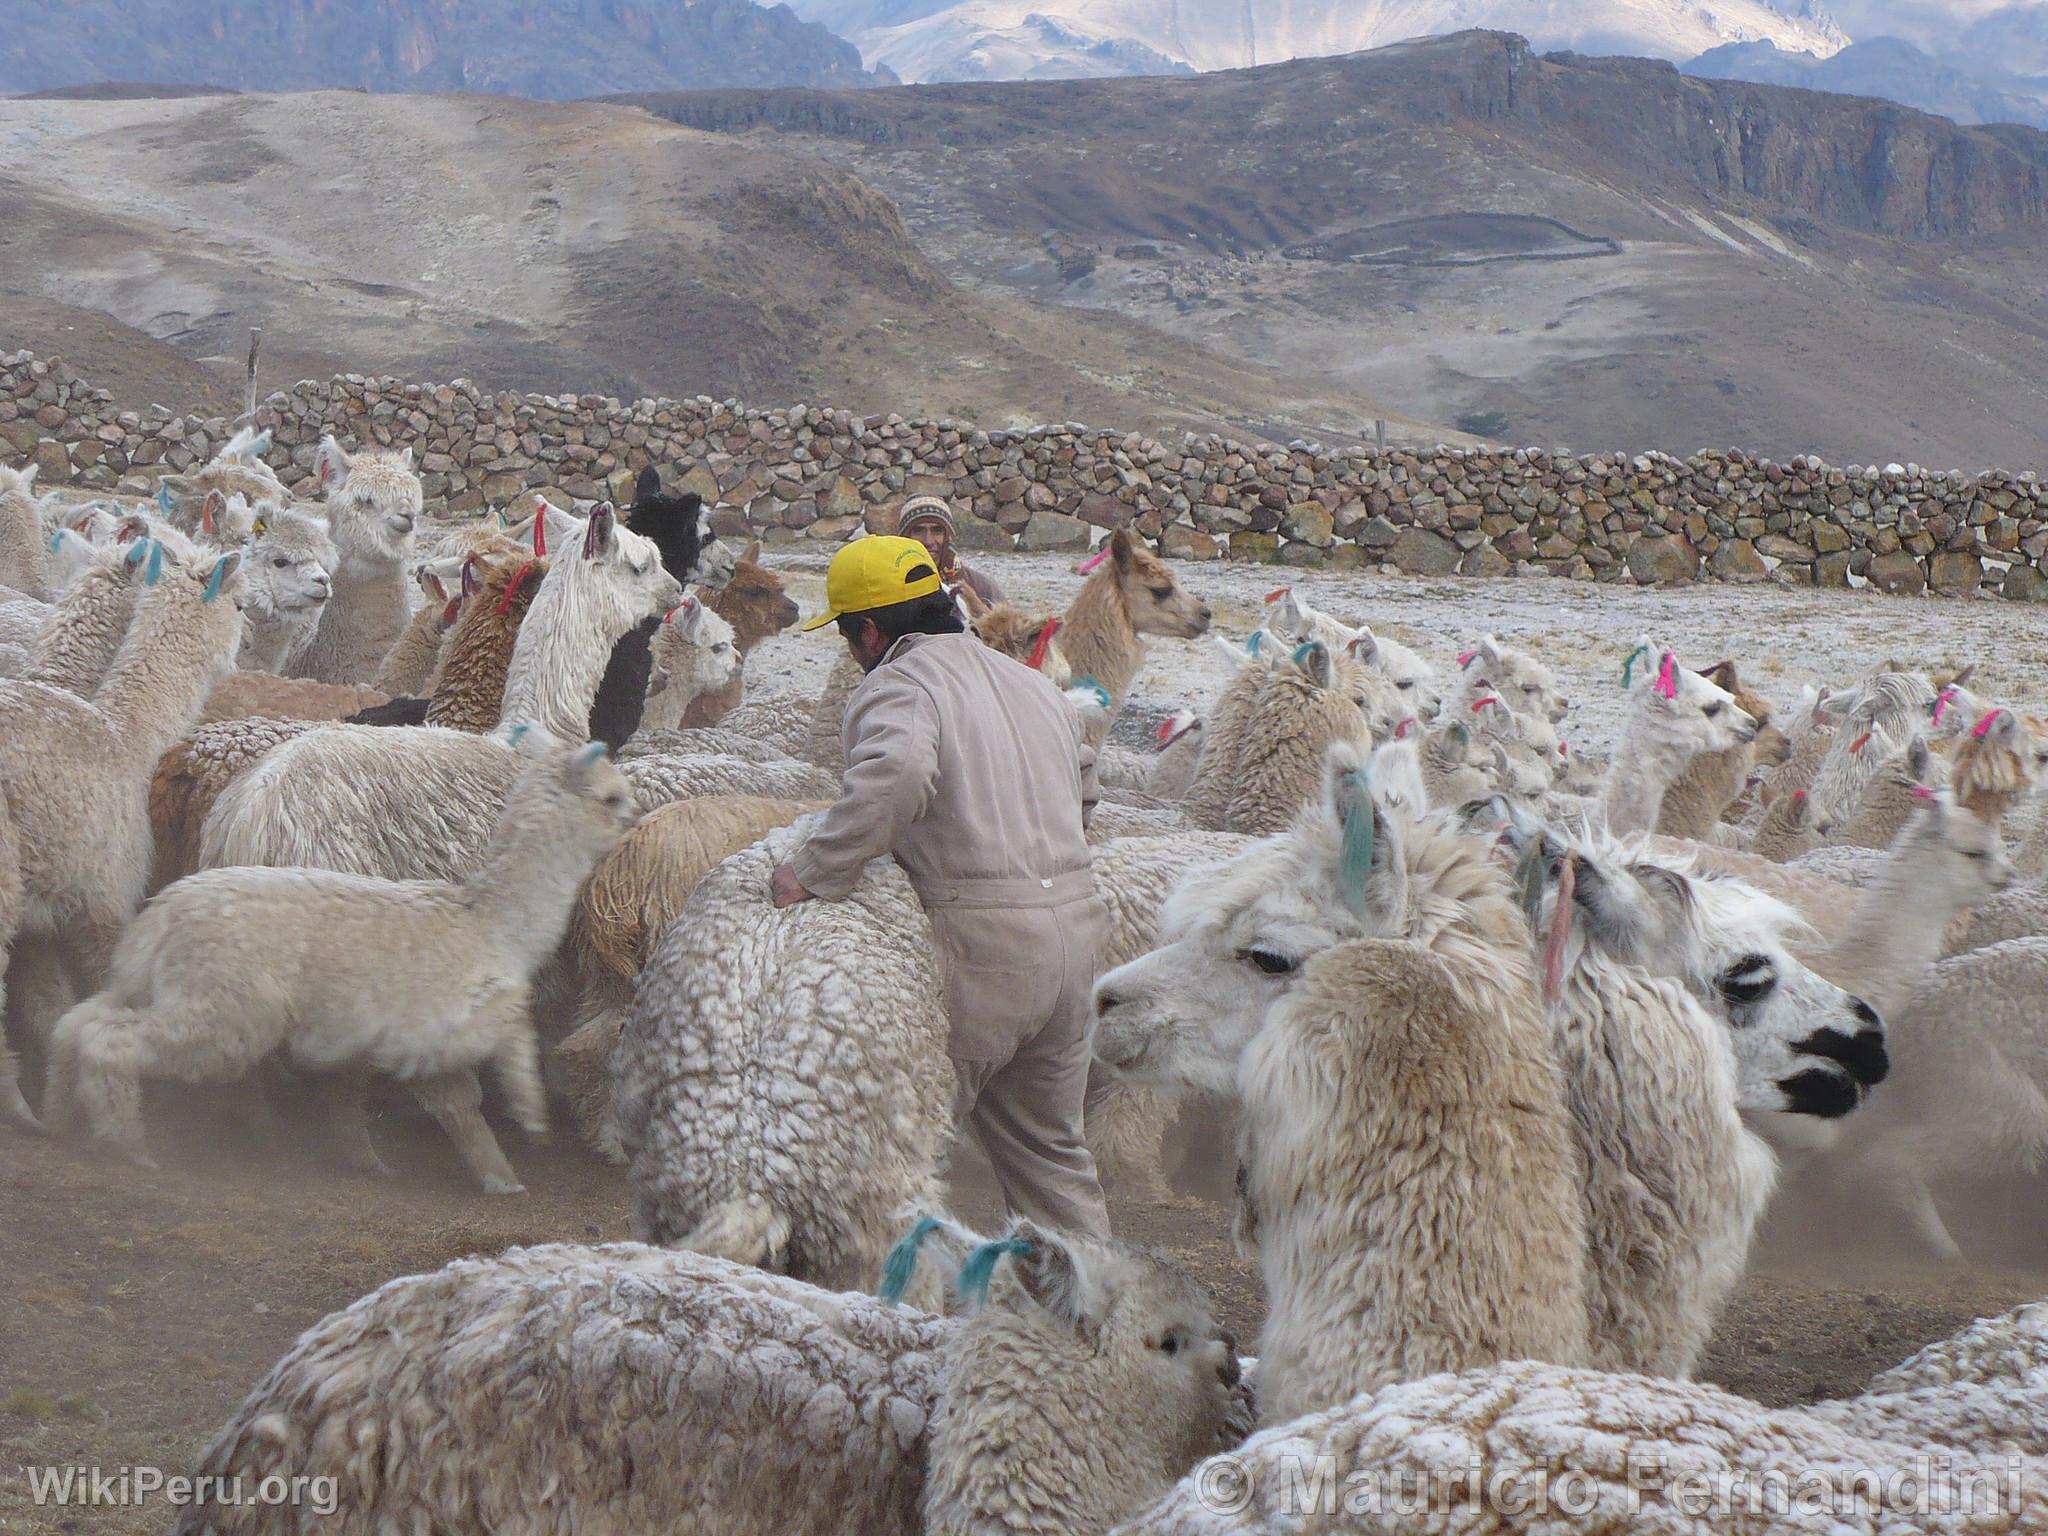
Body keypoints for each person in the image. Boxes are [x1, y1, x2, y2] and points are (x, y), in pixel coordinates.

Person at [770, 535, 1110, 1237]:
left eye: (845, 635)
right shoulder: (1031, 682)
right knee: (1050, 1155)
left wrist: (814, 870)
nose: (849, 652)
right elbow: (1086, 784)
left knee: (900, 1151)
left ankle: (878, 1322)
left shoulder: (900, 685)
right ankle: (1093, 1322)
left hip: (984, 951)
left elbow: (894, 777)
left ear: (869, 630)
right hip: (1077, 937)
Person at [899, 495, 1008, 608]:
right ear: (904, 537)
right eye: (918, 531)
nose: (928, 541)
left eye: (937, 531)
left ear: (948, 536)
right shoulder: (889, 587)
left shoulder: (981, 587)